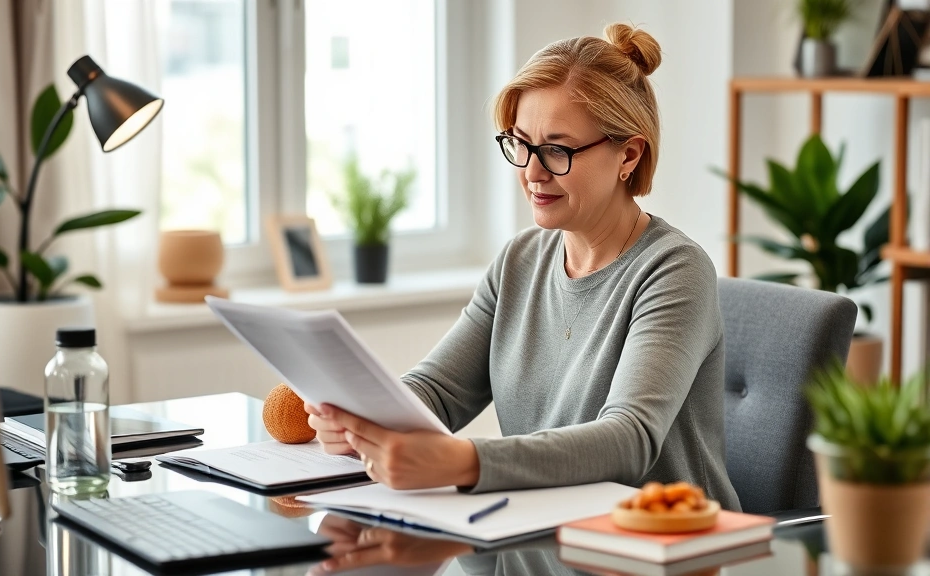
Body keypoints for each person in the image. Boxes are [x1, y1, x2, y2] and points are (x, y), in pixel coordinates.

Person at [306, 23, 742, 512]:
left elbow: (629, 440)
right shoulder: (520, 261)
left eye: (557, 149)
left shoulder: (674, 271)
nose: (531, 171)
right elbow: (438, 392)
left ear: (629, 154)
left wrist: (463, 461)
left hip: (655, 548)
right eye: (520, 143)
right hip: (535, 531)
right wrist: (362, 419)